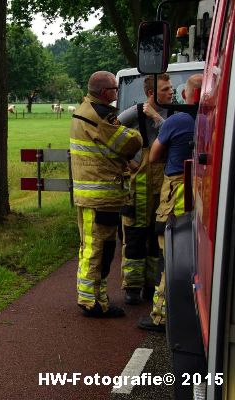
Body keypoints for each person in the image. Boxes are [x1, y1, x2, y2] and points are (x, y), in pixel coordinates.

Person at [70, 71, 143, 318]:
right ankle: (91, 301)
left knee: (98, 246)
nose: (117, 93)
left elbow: (106, 149)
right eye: (114, 88)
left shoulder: (87, 109)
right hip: (100, 195)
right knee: (97, 248)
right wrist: (135, 135)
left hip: (96, 195)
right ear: (104, 93)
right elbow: (130, 143)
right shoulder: (100, 116)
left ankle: (96, 297)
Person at [138, 73, 203, 331]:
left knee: (171, 254)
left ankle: (162, 316)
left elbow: (154, 157)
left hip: (176, 189)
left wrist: (160, 123)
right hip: (203, 191)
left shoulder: (177, 120)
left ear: (187, 96)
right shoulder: (216, 118)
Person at [118, 74, 174, 305]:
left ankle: (151, 286)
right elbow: (111, 133)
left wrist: (158, 118)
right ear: (151, 94)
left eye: (171, 89)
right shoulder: (135, 112)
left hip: (163, 187)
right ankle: (132, 287)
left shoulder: (173, 114)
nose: (171, 93)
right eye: (165, 89)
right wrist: (126, 161)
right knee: (135, 236)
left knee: (156, 236)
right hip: (138, 188)